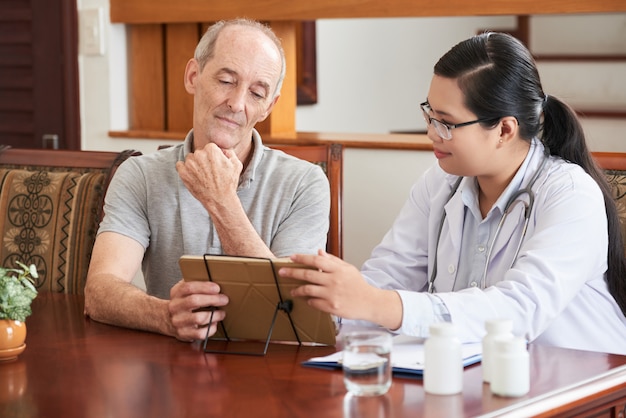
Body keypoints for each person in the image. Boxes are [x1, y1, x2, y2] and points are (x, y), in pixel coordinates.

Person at [280, 32, 626, 355]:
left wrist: (376, 303)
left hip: (586, 383)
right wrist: (333, 302)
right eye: (429, 114)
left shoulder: (571, 195)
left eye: (446, 122)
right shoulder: (440, 183)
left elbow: (518, 312)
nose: (431, 133)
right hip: (481, 378)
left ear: (504, 129)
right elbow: (389, 276)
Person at [84, 19, 330, 341]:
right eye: (227, 81)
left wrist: (221, 200)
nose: (237, 103)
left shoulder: (306, 183)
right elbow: (99, 292)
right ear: (193, 76)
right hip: (172, 370)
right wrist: (165, 316)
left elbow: (293, 314)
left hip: (271, 373)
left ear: (269, 106)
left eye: (257, 92)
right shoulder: (140, 175)